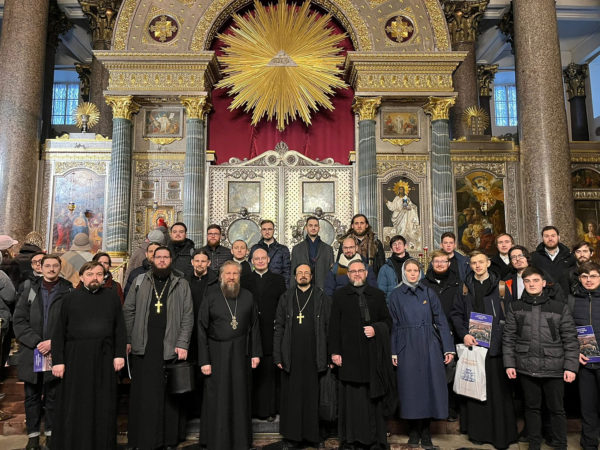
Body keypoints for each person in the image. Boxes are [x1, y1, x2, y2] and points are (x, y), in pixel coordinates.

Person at [50, 261, 126, 450]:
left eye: (99, 274)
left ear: (104, 277)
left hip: (104, 357)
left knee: (102, 404)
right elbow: (59, 331)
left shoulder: (112, 297)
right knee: (76, 404)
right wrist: (58, 361)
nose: (94, 278)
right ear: (82, 277)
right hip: (75, 359)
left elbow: (120, 328)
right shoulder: (69, 298)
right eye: (90, 274)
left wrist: (119, 354)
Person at [123, 246, 193, 450]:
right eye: (158, 257)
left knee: (168, 397)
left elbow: (188, 315)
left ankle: (167, 439)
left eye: (165, 257)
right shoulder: (140, 281)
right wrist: (129, 339)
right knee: (144, 394)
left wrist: (182, 343)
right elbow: (128, 311)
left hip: (170, 345)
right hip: (144, 345)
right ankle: (141, 439)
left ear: (171, 260)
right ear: (152, 259)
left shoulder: (181, 283)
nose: (162, 260)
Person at [503, 266, 578, 450]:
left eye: (536, 280)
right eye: (527, 281)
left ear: (544, 283)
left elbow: (570, 339)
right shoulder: (515, 307)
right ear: (523, 283)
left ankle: (560, 444)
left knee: (557, 409)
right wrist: (509, 364)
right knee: (531, 408)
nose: (532, 284)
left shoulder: (559, 308)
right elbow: (509, 338)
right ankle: (534, 445)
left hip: (554, 368)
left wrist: (571, 367)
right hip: (526, 366)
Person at [450, 251, 518, 449]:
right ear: (470, 266)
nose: (477, 265)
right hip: (473, 345)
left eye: (481, 262)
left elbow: (510, 316)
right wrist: (464, 334)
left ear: (488, 263)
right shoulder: (464, 287)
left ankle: (501, 435)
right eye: (473, 263)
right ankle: (478, 433)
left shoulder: (501, 287)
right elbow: (456, 314)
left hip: (496, 348)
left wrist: (501, 339)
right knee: (475, 391)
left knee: (498, 392)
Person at [329, 260, 395, 449]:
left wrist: (376, 329)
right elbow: (333, 326)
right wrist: (334, 351)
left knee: (372, 400)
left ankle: (373, 439)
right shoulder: (339, 295)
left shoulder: (378, 295)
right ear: (348, 275)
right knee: (351, 402)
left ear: (366, 273)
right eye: (353, 271)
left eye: (360, 271)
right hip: (348, 357)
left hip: (372, 357)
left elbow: (388, 322)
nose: (357, 274)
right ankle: (351, 439)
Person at [389, 258, 454, 448]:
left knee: (428, 388)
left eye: (415, 270)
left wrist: (447, 347)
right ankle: (413, 431)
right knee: (410, 389)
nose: (412, 274)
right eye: (409, 270)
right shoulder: (395, 295)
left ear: (420, 272)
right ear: (404, 272)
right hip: (406, 344)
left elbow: (441, 320)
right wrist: (394, 351)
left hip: (429, 344)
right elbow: (393, 324)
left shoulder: (428, 292)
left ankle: (426, 432)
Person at [198, 260, 262, 450]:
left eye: (235, 274)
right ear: (221, 276)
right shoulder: (211, 296)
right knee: (218, 397)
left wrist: (256, 353)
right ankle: (217, 440)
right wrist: (204, 360)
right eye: (228, 273)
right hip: (216, 353)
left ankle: (240, 440)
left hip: (241, 353)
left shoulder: (248, 296)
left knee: (240, 396)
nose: (231, 277)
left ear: (239, 276)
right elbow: (201, 329)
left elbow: (255, 326)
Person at [13, 254, 73, 450]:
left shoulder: (68, 290)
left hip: (56, 352)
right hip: (33, 351)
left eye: (55, 265)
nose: (51, 269)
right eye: (47, 265)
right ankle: (32, 437)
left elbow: (72, 322)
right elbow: (19, 320)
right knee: (32, 396)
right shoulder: (30, 289)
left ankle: (51, 435)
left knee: (53, 396)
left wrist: (53, 343)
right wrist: (37, 342)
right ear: (40, 267)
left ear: (60, 267)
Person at [274, 263, 331, 448]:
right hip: (291, 355)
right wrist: (277, 355)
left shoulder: (321, 297)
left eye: (307, 272)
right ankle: (293, 438)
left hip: (315, 354)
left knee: (313, 397)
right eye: (300, 272)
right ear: (295, 276)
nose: (303, 275)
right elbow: (279, 327)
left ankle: (314, 437)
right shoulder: (286, 297)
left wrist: (329, 355)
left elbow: (329, 327)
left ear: (312, 276)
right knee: (293, 397)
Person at [241, 248, 286, 420]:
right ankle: (251, 410)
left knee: (268, 374)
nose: (260, 261)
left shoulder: (278, 280)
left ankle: (268, 410)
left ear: (268, 260)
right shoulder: (244, 280)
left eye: (263, 258)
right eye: (256, 258)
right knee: (252, 373)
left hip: (270, 332)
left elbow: (282, 305)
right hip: (250, 331)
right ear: (252, 261)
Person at [422, 249, 461, 421]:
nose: (439, 264)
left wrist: (452, 328)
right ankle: (432, 407)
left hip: (452, 332)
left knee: (450, 370)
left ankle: (450, 407)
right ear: (432, 263)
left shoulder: (457, 283)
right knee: (430, 371)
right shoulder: (423, 283)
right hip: (429, 334)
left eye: (443, 261)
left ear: (449, 263)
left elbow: (460, 308)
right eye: (436, 261)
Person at [568, 262, 600, 449]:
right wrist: (575, 351)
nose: (589, 280)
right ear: (579, 279)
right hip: (585, 361)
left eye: (593, 276)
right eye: (585, 276)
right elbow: (567, 330)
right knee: (587, 406)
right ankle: (589, 444)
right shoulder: (572, 300)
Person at [186, 249, 218, 419]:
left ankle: (207, 410)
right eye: (197, 261)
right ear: (192, 262)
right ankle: (192, 410)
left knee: (207, 369)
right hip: (189, 332)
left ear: (209, 263)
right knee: (191, 370)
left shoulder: (216, 281)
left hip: (209, 331)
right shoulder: (184, 280)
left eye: (203, 261)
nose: (200, 264)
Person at [530, 226, 576, 297]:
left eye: (553, 236)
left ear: (558, 237)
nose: (550, 239)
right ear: (542, 238)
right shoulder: (534, 257)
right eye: (546, 236)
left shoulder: (569, 256)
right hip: (543, 297)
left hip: (565, 297)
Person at [291, 216, 334, 290]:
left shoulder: (328, 249)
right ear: (306, 228)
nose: (313, 228)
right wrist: (292, 292)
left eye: (315, 226)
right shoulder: (297, 249)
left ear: (319, 228)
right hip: (302, 288)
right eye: (310, 225)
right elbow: (293, 273)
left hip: (323, 288)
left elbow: (331, 273)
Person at [249, 219, 291, 286]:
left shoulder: (283, 249)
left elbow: (287, 272)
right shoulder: (255, 248)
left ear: (274, 231)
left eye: (270, 229)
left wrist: (285, 289)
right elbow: (251, 268)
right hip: (258, 285)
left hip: (277, 285)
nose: (267, 232)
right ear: (261, 231)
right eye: (264, 229)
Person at [377, 234, 412, 301]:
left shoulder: (414, 264)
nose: (397, 246)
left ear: (405, 246)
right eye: (394, 244)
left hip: (411, 302)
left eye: (399, 243)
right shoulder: (385, 268)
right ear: (391, 249)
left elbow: (421, 285)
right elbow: (381, 291)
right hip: (393, 303)